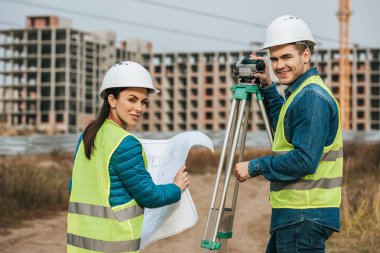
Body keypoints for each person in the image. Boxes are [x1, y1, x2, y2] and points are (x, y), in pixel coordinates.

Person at [234, 15, 343, 252]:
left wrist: (255, 166)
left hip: (303, 215)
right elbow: (282, 131)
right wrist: (268, 86)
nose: (279, 65)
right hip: (297, 215)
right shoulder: (299, 94)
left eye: (286, 57)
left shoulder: (311, 98)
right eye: (274, 59)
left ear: (306, 55)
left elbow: (304, 160)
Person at [67, 61, 190, 253]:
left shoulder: (88, 134)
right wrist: (176, 188)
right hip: (114, 245)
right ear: (112, 100)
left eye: (143, 102)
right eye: (132, 100)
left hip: (79, 247)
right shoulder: (125, 143)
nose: (139, 108)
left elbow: (73, 186)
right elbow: (149, 196)